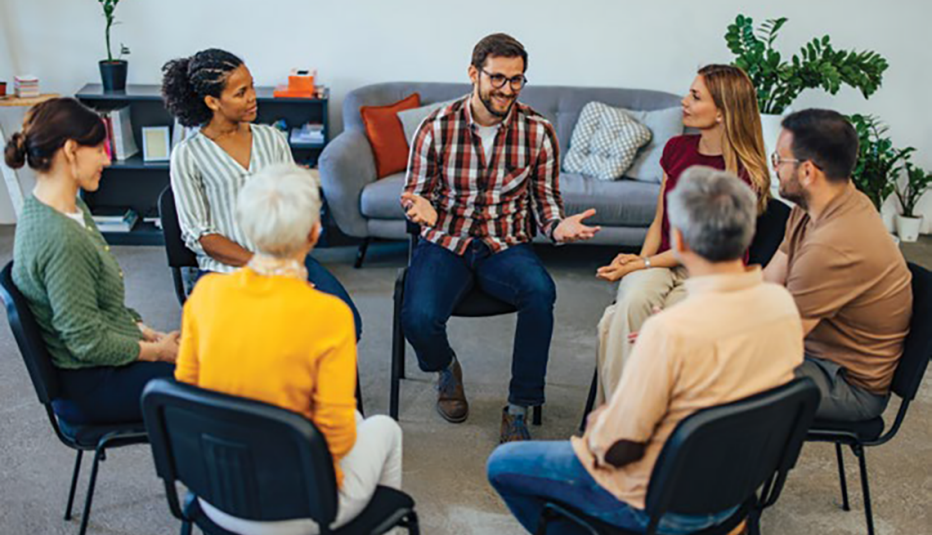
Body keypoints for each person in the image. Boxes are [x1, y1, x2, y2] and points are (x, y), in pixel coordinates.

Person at [488, 167, 803, 534]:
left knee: (504, 464)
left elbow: (614, 447)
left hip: (664, 504)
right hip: (735, 497)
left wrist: (600, 419)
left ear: (680, 242)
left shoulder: (669, 331)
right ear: (748, 232)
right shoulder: (781, 308)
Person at [175, 163, 402, 534]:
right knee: (384, 429)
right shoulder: (329, 315)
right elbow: (337, 436)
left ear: (247, 229)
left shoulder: (205, 295)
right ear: (314, 233)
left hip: (213, 493)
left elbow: (187, 392)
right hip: (299, 507)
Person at [400, 33, 599, 443]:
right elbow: (415, 192)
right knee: (417, 318)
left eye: (517, 80)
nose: (507, 89)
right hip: (446, 240)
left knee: (540, 293)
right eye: (498, 78)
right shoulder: (435, 127)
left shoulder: (538, 131)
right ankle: (445, 368)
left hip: (505, 244)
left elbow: (545, 201)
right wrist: (421, 208)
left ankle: (518, 408)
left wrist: (558, 226)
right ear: (473, 73)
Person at [594, 64, 771, 402]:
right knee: (631, 302)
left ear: (722, 112)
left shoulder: (745, 172)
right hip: (662, 260)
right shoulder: (676, 148)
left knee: (620, 326)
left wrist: (640, 265)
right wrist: (641, 259)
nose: (683, 101)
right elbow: (660, 219)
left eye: (695, 96)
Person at [162, 48, 361, 339]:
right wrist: (261, 265)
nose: (252, 96)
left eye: (252, 86)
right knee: (262, 342)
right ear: (212, 101)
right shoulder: (188, 155)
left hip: (285, 260)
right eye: (241, 92)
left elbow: (293, 203)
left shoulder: (272, 139)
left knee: (344, 324)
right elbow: (199, 235)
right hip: (225, 271)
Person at [5, 98, 179, 425]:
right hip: (90, 386)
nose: (107, 159)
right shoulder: (60, 238)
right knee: (214, 385)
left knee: (204, 360)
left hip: (99, 363)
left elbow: (100, 311)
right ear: (71, 150)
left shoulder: (60, 207)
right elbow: (86, 341)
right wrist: (158, 352)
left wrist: (146, 333)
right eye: (99, 149)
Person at [765, 109, 912, 421]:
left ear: (807, 172)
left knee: (716, 373)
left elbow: (776, 338)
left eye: (779, 159)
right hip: (814, 353)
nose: (774, 168)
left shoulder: (833, 244)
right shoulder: (813, 206)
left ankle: (723, 469)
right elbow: (768, 283)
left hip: (846, 384)